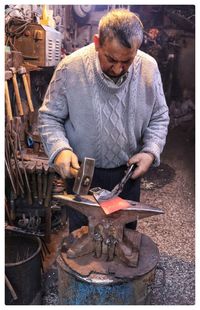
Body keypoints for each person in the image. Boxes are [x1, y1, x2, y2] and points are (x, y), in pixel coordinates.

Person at [38, 9, 169, 232]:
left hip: (127, 175)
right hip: (83, 177)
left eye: (127, 61)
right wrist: (59, 149)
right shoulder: (71, 68)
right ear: (97, 42)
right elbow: (49, 117)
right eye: (110, 59)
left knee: (125, 239)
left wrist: (150, 151)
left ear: (137, 49)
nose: (118, 68)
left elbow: (159, 116)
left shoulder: (149, 68)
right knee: (82, 242)